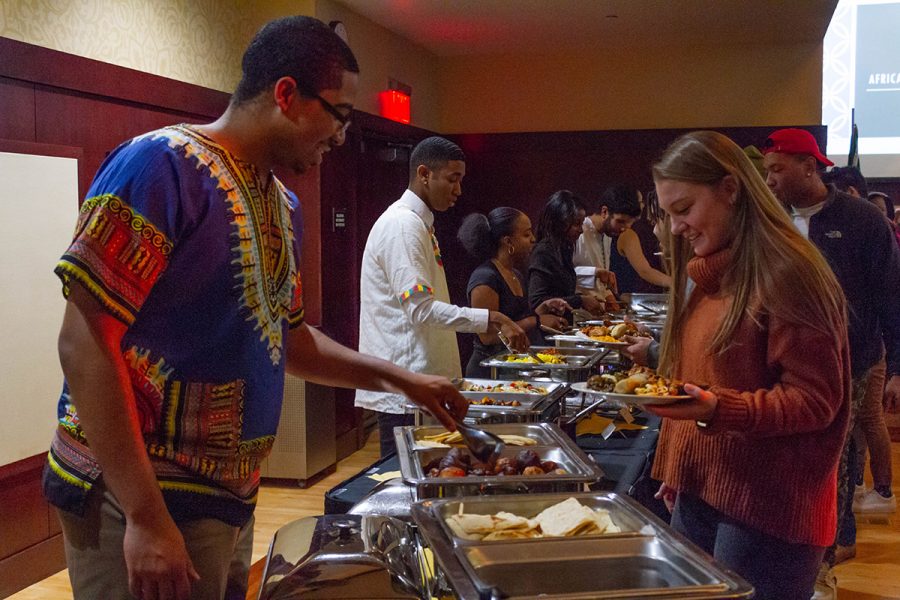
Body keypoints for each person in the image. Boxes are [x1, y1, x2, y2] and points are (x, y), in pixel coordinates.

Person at [43, 17, 470, 600]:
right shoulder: (158, 166)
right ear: (286, 95)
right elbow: (84, 341)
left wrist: (405, 380)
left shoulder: (282, 202)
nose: (342, 136)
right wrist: (143, 515)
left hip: (226, 495)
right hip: (135, 493)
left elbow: (290, 340)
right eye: (339, 116)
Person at [648, 130, 850, 599]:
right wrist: (681, 467)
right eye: (668, 213)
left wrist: (717, 409)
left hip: (770, 506)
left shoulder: (788, 273)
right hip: (703, 494)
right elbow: (696, 383)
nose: (676, 227)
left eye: (684, 210)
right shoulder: (709, 272)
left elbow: (815, 402)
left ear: (731, 190)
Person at [762, 128, 900, 572]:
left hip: (855, 357)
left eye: (777, 170)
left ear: (809, 166)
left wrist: (896, 367)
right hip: (786, 358)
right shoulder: (772, 221)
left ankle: (835, 540)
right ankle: (808, 533)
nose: (769, 181)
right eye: (766, 172)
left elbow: (891, 296)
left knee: (837, 449)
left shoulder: (863, 220)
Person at [355, 136, 527, 458]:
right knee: (406, 487)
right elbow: (420, 310)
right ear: (424, 174)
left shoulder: (420, 224)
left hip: (421, 384)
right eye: (452, 179)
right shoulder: (403, 225)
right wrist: (494, 317)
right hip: (406, 387)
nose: (458, 190)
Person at [457, 208, 570, 377]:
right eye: (526, 234)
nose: (533, 239)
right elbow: (487, 336)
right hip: (489, 371)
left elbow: (515, 318)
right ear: (508, 242)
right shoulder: (485, 277)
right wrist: (537, 321)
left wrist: (543, 309)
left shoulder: (515, 274)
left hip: (511, 366)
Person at [528, 190, 606, 317]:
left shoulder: (564, 249)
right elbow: (537, 301)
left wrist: (582, 299)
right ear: (560, 222)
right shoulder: (544, 252)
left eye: (581, 224)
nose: (581, 230)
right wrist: (580, 300)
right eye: (576, 224)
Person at [572, 185, 638, 307]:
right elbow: (562, 275)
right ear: (604, 212)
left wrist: (608, 294)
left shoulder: (607, 235)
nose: (624, 228)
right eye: (620, 221)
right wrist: (595, 272)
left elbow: (600, 281)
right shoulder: (579, 232)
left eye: (629, 223)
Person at [608, 187, 672, 293]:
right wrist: (676, 283)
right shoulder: (627, 234)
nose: (643, 205)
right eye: (640, 201)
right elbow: (645, 271)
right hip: (632, 294)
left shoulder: (631, 231)